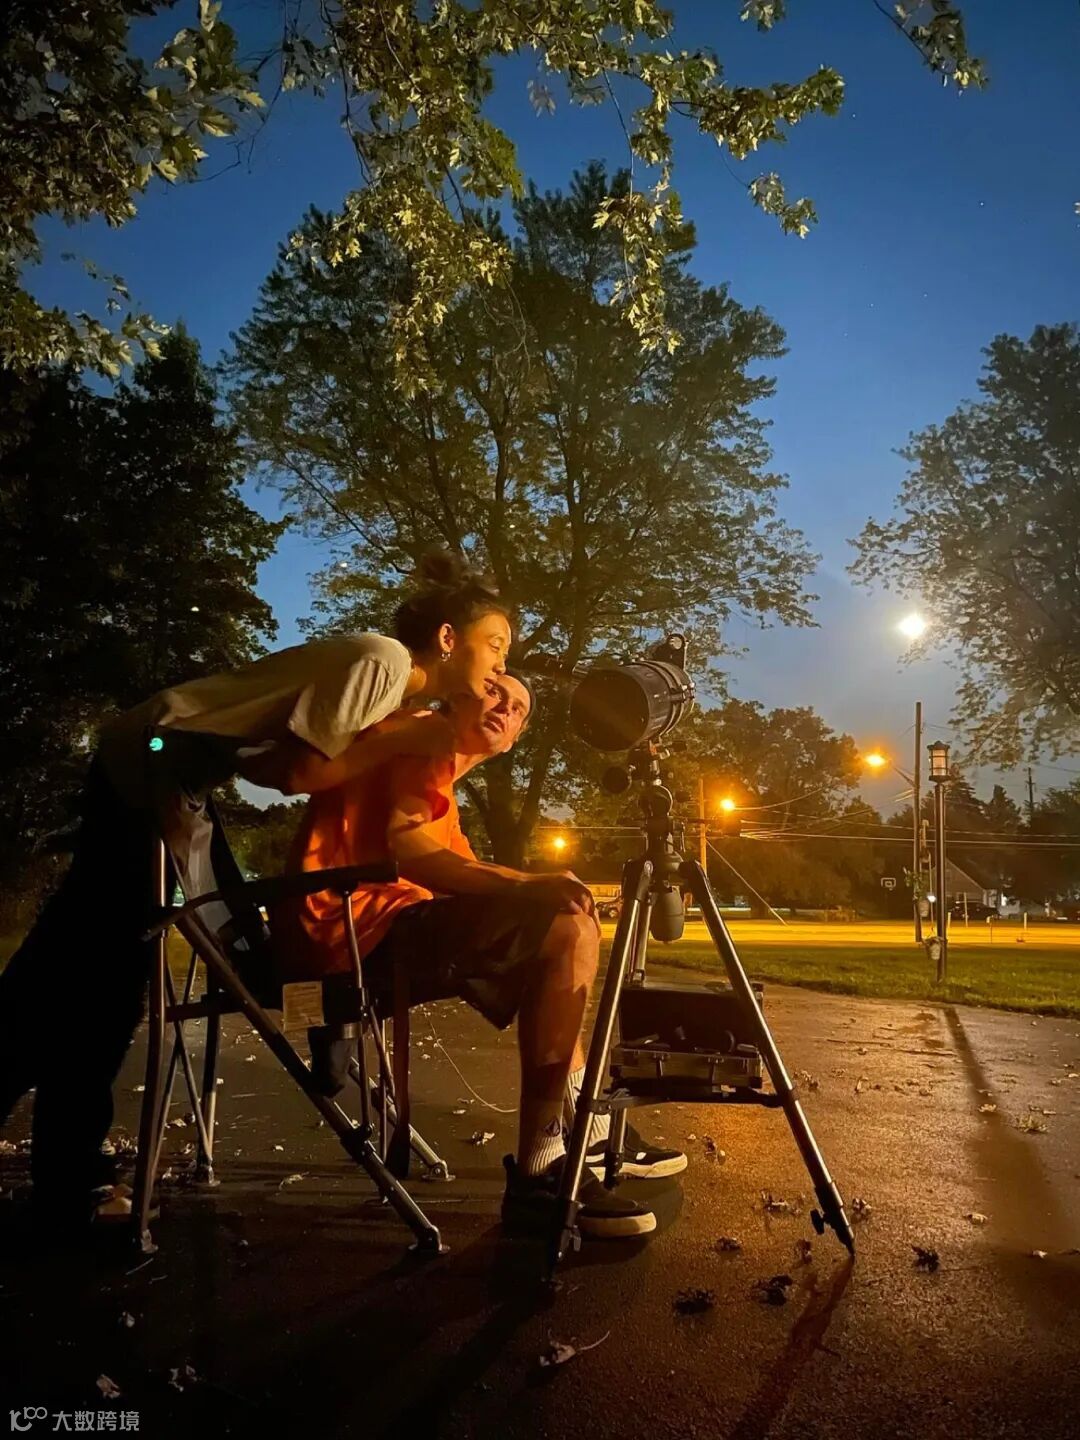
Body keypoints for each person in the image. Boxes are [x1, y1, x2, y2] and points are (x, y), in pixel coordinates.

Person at [0, 552, 513, 1231]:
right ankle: (68, 1182)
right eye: (496, 645)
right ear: (448, 638)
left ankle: (69, 1171)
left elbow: (271, 765)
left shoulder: (391, 688)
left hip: (166, 771)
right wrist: (401, 742)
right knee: (93, 981)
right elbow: (299, 776)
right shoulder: (384, 662)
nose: (500, 667)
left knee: (79, 971)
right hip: (156, 764)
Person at [273, 674, 686, 1241]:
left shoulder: (439, 785)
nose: (505, 708)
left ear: (515, 739)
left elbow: (457, 874)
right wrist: (532, 884)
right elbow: (408, 846)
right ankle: (541, 1171)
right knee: (565, 929)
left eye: (518, 709)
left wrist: (533, 892)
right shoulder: (428, 737)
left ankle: (587, 1138)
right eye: (495, 690)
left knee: (562, 930)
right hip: (345, 928)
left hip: (358, 928)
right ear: (459, 696)